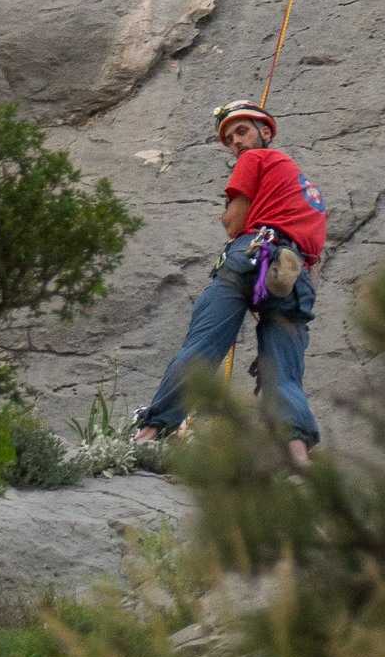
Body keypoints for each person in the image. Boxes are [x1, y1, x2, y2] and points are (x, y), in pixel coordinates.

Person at [132, 100, 327, 467]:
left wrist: (233, 220)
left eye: (242, 131)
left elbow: (234, 222)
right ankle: (297, 457)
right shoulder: (307, 189)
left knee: (203, 346)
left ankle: (150, 433)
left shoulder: (254, 160)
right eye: (229, 138)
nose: (235, 142)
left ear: (264, 132)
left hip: (250, 254)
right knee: (283, 369)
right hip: (294, 274)